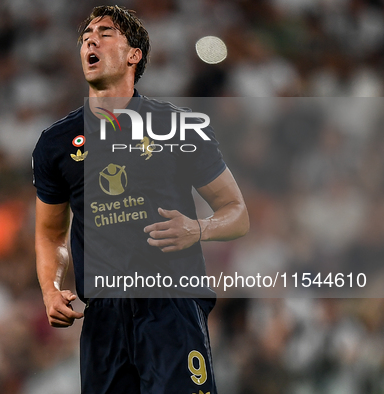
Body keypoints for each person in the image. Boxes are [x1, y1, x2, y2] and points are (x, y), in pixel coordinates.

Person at [32, 5, 249, 393]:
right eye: (85, 38)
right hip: (103, 318)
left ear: (134, 55)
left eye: (105, 33)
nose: (90, 41)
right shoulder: (55, 143)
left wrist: (198, 229)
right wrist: (51, 288)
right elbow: (50, 233)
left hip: (170, 306)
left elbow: (237, 213)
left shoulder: (177, 126)